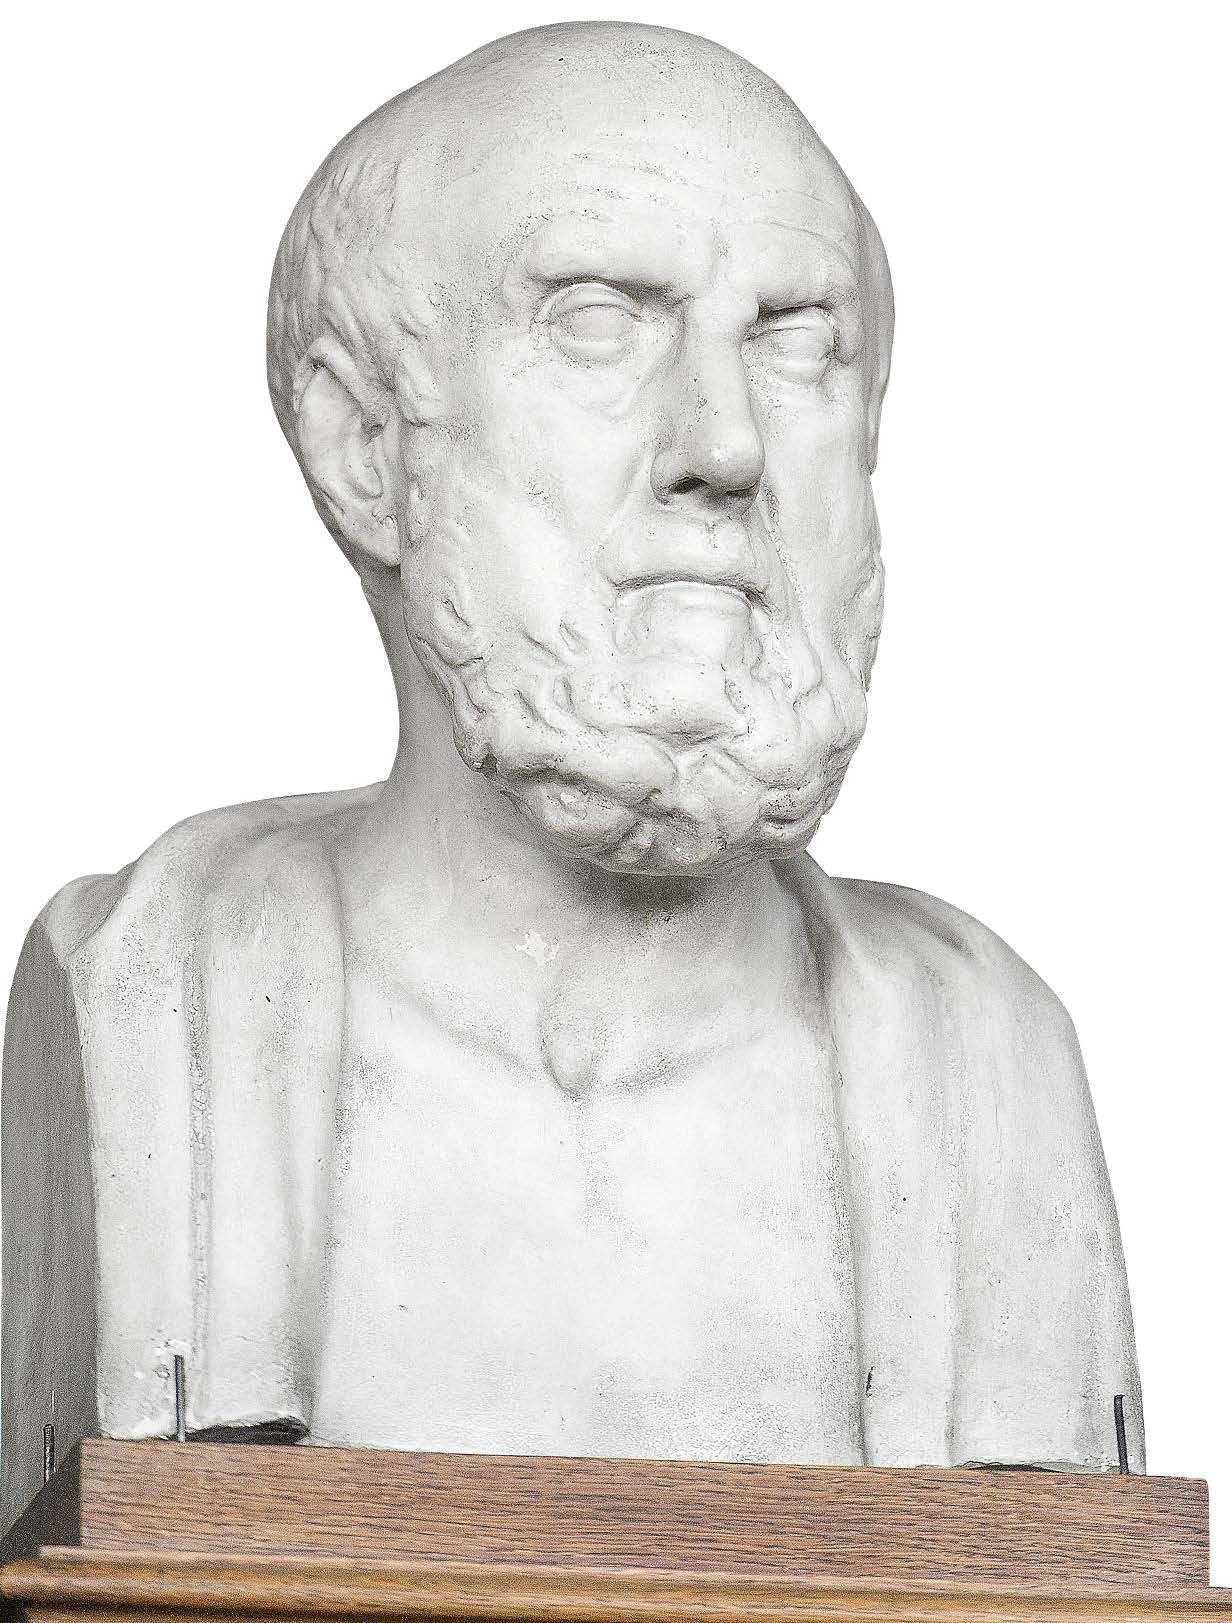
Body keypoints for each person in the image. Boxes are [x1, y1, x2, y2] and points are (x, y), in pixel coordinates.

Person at [0, 21, 1141, 1532]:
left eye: (797, 339)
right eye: (600, 321)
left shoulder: (991, 1073)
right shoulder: (156, 1018)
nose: (724, 446)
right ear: (364, 445)